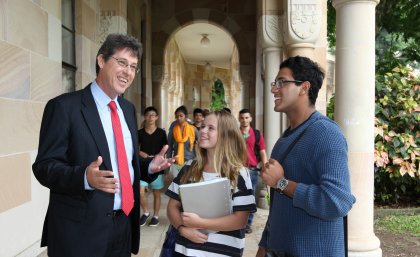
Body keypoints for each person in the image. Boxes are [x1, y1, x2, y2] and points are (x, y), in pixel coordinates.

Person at [32, 34, 174, 257]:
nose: (128, 72)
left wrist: (147, 166)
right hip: (79, 234)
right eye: (122, 62)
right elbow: (44, 167)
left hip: (123, 226)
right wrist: (84, 178)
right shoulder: (63, 107)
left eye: (134, 67)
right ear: (101, 60)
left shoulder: (127, 109)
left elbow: (123, 161)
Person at [257, 56, 356, 257]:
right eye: (274, 84)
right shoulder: (284, 140)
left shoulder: (326, 134)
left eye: (282, 82)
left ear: (304, 87)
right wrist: (263, 247)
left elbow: (337, 202)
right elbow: (278, 208)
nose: (274, 89)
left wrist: (282, 183)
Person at [165, 110, 257, 257]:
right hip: (185, 251)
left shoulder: (239, 173)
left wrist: (200, 222)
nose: (203, 131)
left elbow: (240, 220)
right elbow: (172, 206)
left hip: (222, 252)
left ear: (225, 134)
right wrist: (182, 229)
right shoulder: (189, 168)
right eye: (203, 126)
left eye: (211, 128)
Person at [238, 108, 268, 234]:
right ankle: (237, 222)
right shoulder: (235, 133)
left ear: (250, 119)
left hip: (252, 170)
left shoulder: (256, 134)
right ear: (239, 119)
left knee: (251, 198)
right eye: (242, 118)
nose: (244, 120)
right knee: (237, 197)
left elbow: (262, 151)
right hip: (238, 169)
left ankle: (248, 224)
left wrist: (265, 167)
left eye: (246, 117)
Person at [138, 106, 168, 227]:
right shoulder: (139, 132)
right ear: (145, 117)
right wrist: (141, 153)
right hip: (143, 165)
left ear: (157, 117)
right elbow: (134, 147)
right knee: (140, 192)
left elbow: (165, 148)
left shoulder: (161, 133)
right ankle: (145, 212)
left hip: (158, 166)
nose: (150, 117)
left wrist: (160, 157)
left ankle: (155, 216)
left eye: (153, 115)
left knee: (156, 192)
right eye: (148, 115)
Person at [167, 105, 198, 177]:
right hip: (176, 161)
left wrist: (198, 158)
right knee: (177, 184)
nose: (179, 118)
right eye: (177, 116)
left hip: (190, 161)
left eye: (181, 116)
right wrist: (168, 166)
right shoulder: (173, 130)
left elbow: (201, 143)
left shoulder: (193, 129)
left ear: (186, 116)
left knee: (188, 185)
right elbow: (169, 147)